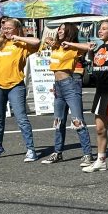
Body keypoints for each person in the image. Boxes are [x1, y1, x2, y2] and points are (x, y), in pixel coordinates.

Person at [63, 20, 108, 177]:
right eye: (100, 29)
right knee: (100, 129)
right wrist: (88, 53)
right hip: (101, 92)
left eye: (104, 29)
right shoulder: (99, 48)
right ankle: (101, 161)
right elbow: (94, 65)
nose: (100, 31)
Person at [0, 18, 41, 161]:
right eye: (4, 28)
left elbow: (37, 42)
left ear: (16, 29)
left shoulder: (21, 43)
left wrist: (16, 37)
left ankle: (30, 149)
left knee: (21, 118)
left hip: (15, 85)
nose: (6, 30)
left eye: (9, 28)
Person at [41, 23, 94, 167]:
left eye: (63, 29)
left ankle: (87, 154)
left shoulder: (73, 47)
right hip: (57, 86)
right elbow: (45, 41)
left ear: (69, 32)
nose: (59, 31)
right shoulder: (56, 46)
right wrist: (50, 41)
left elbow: (89, 47)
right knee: (58, 121)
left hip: (70, 84)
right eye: (59, 29)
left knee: (77, 120)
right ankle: (57, 152)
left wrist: (69, 43)